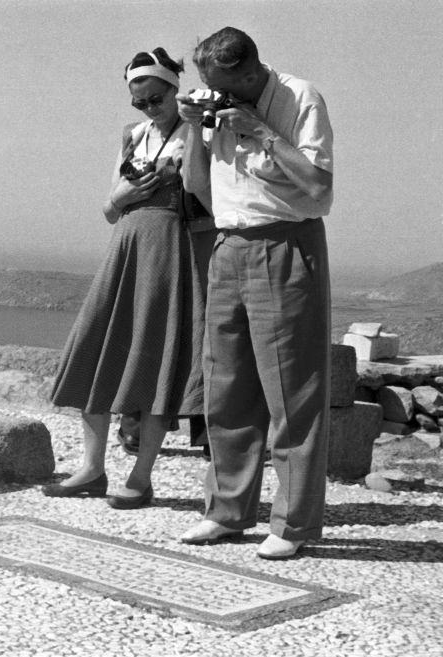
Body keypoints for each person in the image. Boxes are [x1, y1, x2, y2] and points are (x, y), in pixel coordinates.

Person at [175, 27, 333, 560]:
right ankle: (227, 511)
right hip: (228, 245)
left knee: (293, 394)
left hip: (285, 243)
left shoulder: (298, 98)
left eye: (221, 86)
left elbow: (318, 189)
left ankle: (293, 525)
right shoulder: (220, 106)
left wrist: (262, 132)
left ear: (248, 73)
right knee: (225, 389)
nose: (214, 95)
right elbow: (199, 187)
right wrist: (192, 130)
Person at [43, 48, 215, 508]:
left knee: (156, 358)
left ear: (173, 90)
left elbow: (201, 190)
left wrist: (196, 129)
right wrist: (120, 194)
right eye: (139, 102)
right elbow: (108, 209)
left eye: (155, 99)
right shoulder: (132, 136)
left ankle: (140, 477)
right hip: (125, 244)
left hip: (170, 250)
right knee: (96, 346)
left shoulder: (195, 132)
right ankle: (92, 468)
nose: (148, 109)